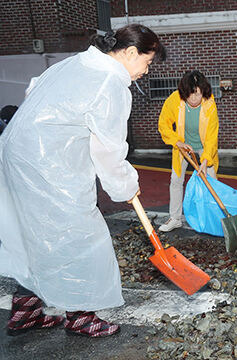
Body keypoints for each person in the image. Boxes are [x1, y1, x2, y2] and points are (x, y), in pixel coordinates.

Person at [0, 24, 166, 337]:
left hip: (15, 153)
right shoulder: (110, 83)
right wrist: (127, 185)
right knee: (82, 237)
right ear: (130, 53)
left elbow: (32, 90)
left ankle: (25, 312)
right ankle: (80, 317)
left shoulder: (75, 64)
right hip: (47, 165)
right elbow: (108, 151)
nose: (146, 71)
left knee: (35, 236)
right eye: (147, 62)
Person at [157, 71, 219, 232]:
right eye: (190, 95)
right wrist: (177, 142)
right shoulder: (174, 100)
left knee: (211, 181)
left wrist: (205, 160)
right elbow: (163, 124)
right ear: (184, 93)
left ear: (203, 92)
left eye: (197, 95)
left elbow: (212, 136)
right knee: (176, 180)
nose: (194, 99)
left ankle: (215, 218)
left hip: (205, 148)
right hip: (182, 146)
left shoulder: (210, 104)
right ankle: (175, 218)